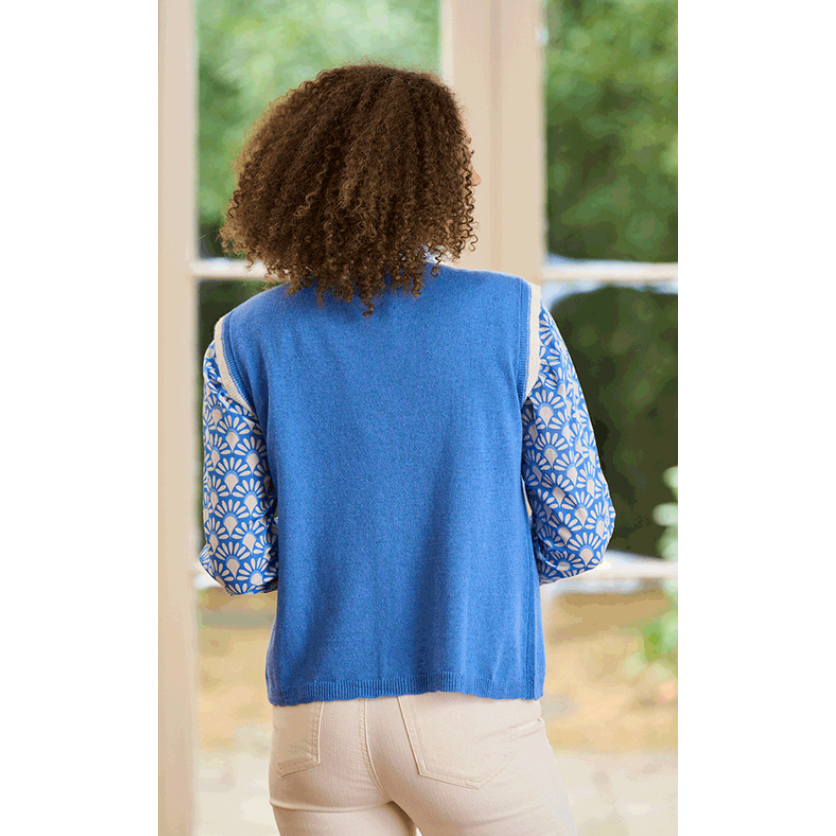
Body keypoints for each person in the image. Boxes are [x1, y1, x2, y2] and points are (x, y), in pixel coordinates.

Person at [199, 62, 615, 836]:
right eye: (461, 158)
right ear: (427, 178)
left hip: (315, 729)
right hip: (473, 709)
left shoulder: (243, 338)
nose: (475, 175)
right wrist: (476, 556)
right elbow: (581, 534)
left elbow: (240, 563)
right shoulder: (513, 314)